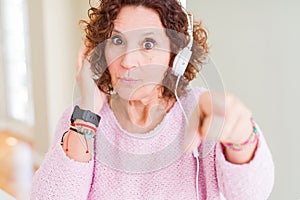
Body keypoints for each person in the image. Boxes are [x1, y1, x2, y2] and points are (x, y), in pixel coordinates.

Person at [30, 0, 274, 199]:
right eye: (117, 41)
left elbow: (253, 192)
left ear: (176, 55)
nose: (127, 61)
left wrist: (241, 136)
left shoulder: (200, 113)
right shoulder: (83, 116)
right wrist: (87, 112)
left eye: (148, 43)